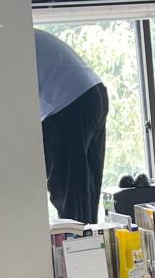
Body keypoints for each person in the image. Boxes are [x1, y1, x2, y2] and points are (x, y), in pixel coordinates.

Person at [36, 29, 109, 224]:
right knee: (86, 187)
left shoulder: (8, 41)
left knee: (67, 189)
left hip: (68, 103)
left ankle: (76, 239)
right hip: (94, 94)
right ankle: (88, 236)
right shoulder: (26, 34)